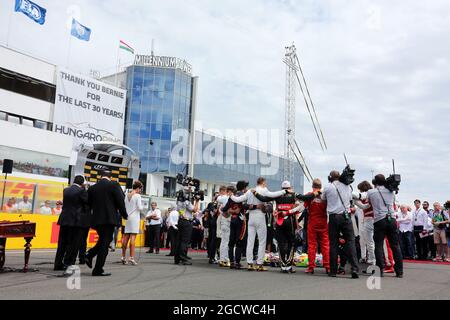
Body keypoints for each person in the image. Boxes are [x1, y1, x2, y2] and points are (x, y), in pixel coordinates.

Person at [254, 180, 316, 273]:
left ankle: (283, 266)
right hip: (290, 220)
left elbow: (263, 199)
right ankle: (288, 265)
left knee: (281, 243)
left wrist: (254, 192)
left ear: (282, 188)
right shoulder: (293, 194)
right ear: (290, 187)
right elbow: (307, 197)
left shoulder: (277, 194)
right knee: (291, 243)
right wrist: (316, 192)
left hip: (279, 221)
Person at [231, 177, 290, 272]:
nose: (266, 184)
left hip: (251, 217)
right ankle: (259, 264)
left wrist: (231, 196)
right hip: (260, 216)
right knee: (262, 241)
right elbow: (273, 195)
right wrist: (284, 191)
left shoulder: (250, 191)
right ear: (263, 183)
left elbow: (239, 199)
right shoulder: (263, 190)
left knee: (250, 241)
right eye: (265, 183)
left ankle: (250, 263)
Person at [85, 171, 128, 276]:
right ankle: (98, 269)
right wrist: (124, 215)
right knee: (105, 243)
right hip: (109, 219)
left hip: (96, 220)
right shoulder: (114, 185)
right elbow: (120, 201)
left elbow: (88, 204)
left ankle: (90, 254)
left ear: (101, 176)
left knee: (104, 240)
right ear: (111, 177)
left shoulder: (92, 188)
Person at [321, 170, 359, 279]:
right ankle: (354, 269)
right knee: (351, 241)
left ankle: (333, 271)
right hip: (346, 216)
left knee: (333, 243)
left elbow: (323, 198)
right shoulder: (348, 186)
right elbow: (352, 199)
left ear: (330, 177)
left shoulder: (328, 187)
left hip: (333, 217)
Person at [367, 174, 403, 278]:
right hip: (391, 219)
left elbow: (368, 202)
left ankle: (380, 270)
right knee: (395, 246)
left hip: (379, 220)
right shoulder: (391, 191)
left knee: (378, 245)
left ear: (374, 181)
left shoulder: (371, 192)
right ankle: (399, 271)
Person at [54, 175, 90, 275]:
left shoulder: (66, 190)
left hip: (64, 219)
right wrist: (86, 190)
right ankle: (68, 263)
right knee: (73, 243)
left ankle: (57, 264)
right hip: (75, 220)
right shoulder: (81, 191)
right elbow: (87, 202)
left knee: (62, 243)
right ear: (82, 183)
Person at [221, 181, 252, 270]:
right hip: (241, 220)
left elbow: (224, 209)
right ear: (243, 188)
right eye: (246, 187)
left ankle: (231, 262)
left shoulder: (232, 196)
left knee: (231, 241)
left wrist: (231, 211)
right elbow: (246, 206)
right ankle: (237, 262)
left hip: (233, 220)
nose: (246, 189)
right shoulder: (244, 195)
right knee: (239, 241)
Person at [303, 179, 330, 274]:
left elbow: (304, 207)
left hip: (312, 222)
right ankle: (327, 266)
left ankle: (311, 267)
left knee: (312, 245)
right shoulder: (324, 195)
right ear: (320, 186)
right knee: (325, 244)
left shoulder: (310, 195)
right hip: (323, 222)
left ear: (312, 186)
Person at [174, 188, 200, 265]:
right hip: (186, 221)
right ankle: (183, 258)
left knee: (179, 240)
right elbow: (195, 210)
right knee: (185, 241)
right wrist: (197, 201)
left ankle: (177, 258)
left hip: (181, 221)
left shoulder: (178, 202)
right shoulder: (186, 202)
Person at [121, 181, 144, 265]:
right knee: (133, 237)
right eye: (140, 189)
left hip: (127, 218)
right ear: (137, 188)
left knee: (126, 237)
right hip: (134, 218)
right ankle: (131, 257)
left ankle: (123, 257)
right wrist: (143, 206)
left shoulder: (127, 195)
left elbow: (124, 206)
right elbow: (139, 207)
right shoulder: (137, 195)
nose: (140, 190)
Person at [354, 181, 376, 266]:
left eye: (360, 189)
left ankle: (372, 260)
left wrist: (355, 201)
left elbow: (364, 206)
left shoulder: (367, 195)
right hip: (369, 219)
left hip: (369, 219)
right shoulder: (371, 194)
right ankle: (371, 259)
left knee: (370, 242)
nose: (360, 191)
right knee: (368, 241)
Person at [217, 186, 231, 267]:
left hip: (223, 221)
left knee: (223, 241)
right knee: (226, 242)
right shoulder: (227, 198)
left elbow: (218, 198)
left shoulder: (221, 200)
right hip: (227, 222)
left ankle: (222, 259)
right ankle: (225, 259)